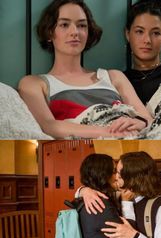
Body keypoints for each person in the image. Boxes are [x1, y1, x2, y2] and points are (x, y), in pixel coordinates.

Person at [18, 0, 152, 139]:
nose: (74, 32)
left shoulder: (113, 76)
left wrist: (136, 122)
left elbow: (147, 118)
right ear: (50, 32)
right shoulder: (34, 83)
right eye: (64, 24)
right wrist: (107, 132)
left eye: (81, 25)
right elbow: (50, 126)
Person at [78, 153, 130, 238]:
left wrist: (82, 190)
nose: (117, 176)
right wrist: (126, 202)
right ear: (102, 174)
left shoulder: (84, 199)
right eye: (113, 171)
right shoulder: (101, 205)